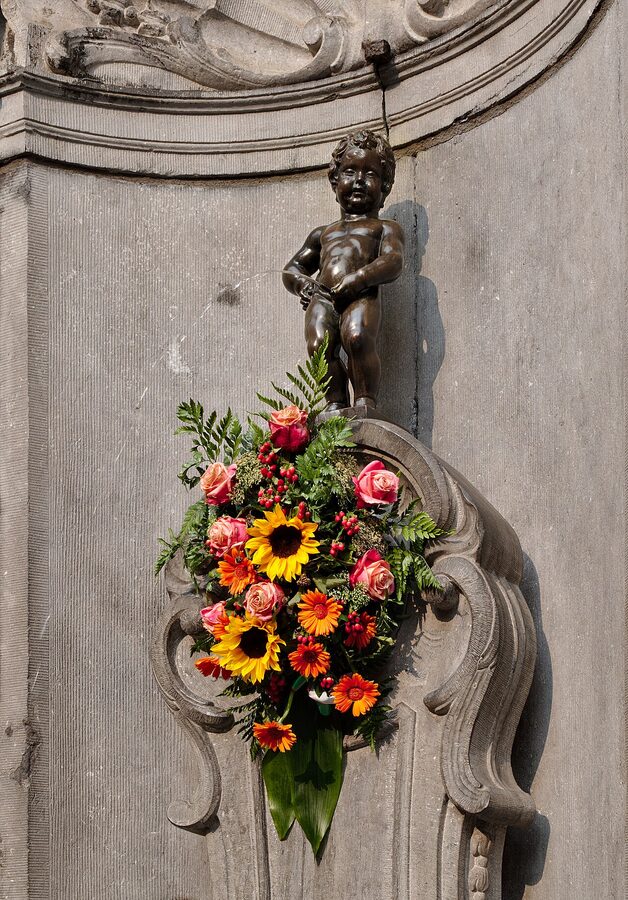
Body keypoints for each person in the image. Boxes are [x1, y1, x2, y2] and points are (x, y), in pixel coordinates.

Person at [283, 130, 404, 411]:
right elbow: (294, 268)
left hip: (361, 292)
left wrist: (358, 279)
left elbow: (394, 260)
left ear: (385, 186)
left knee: (358, 337)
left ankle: (365, 402)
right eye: (350, 172)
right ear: (335, 180)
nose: (359, 181)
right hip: (323, 296)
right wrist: (303, 285)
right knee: (318, 346)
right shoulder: (323, 234)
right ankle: (334, 404)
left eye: (371, 174)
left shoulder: (384, 228)